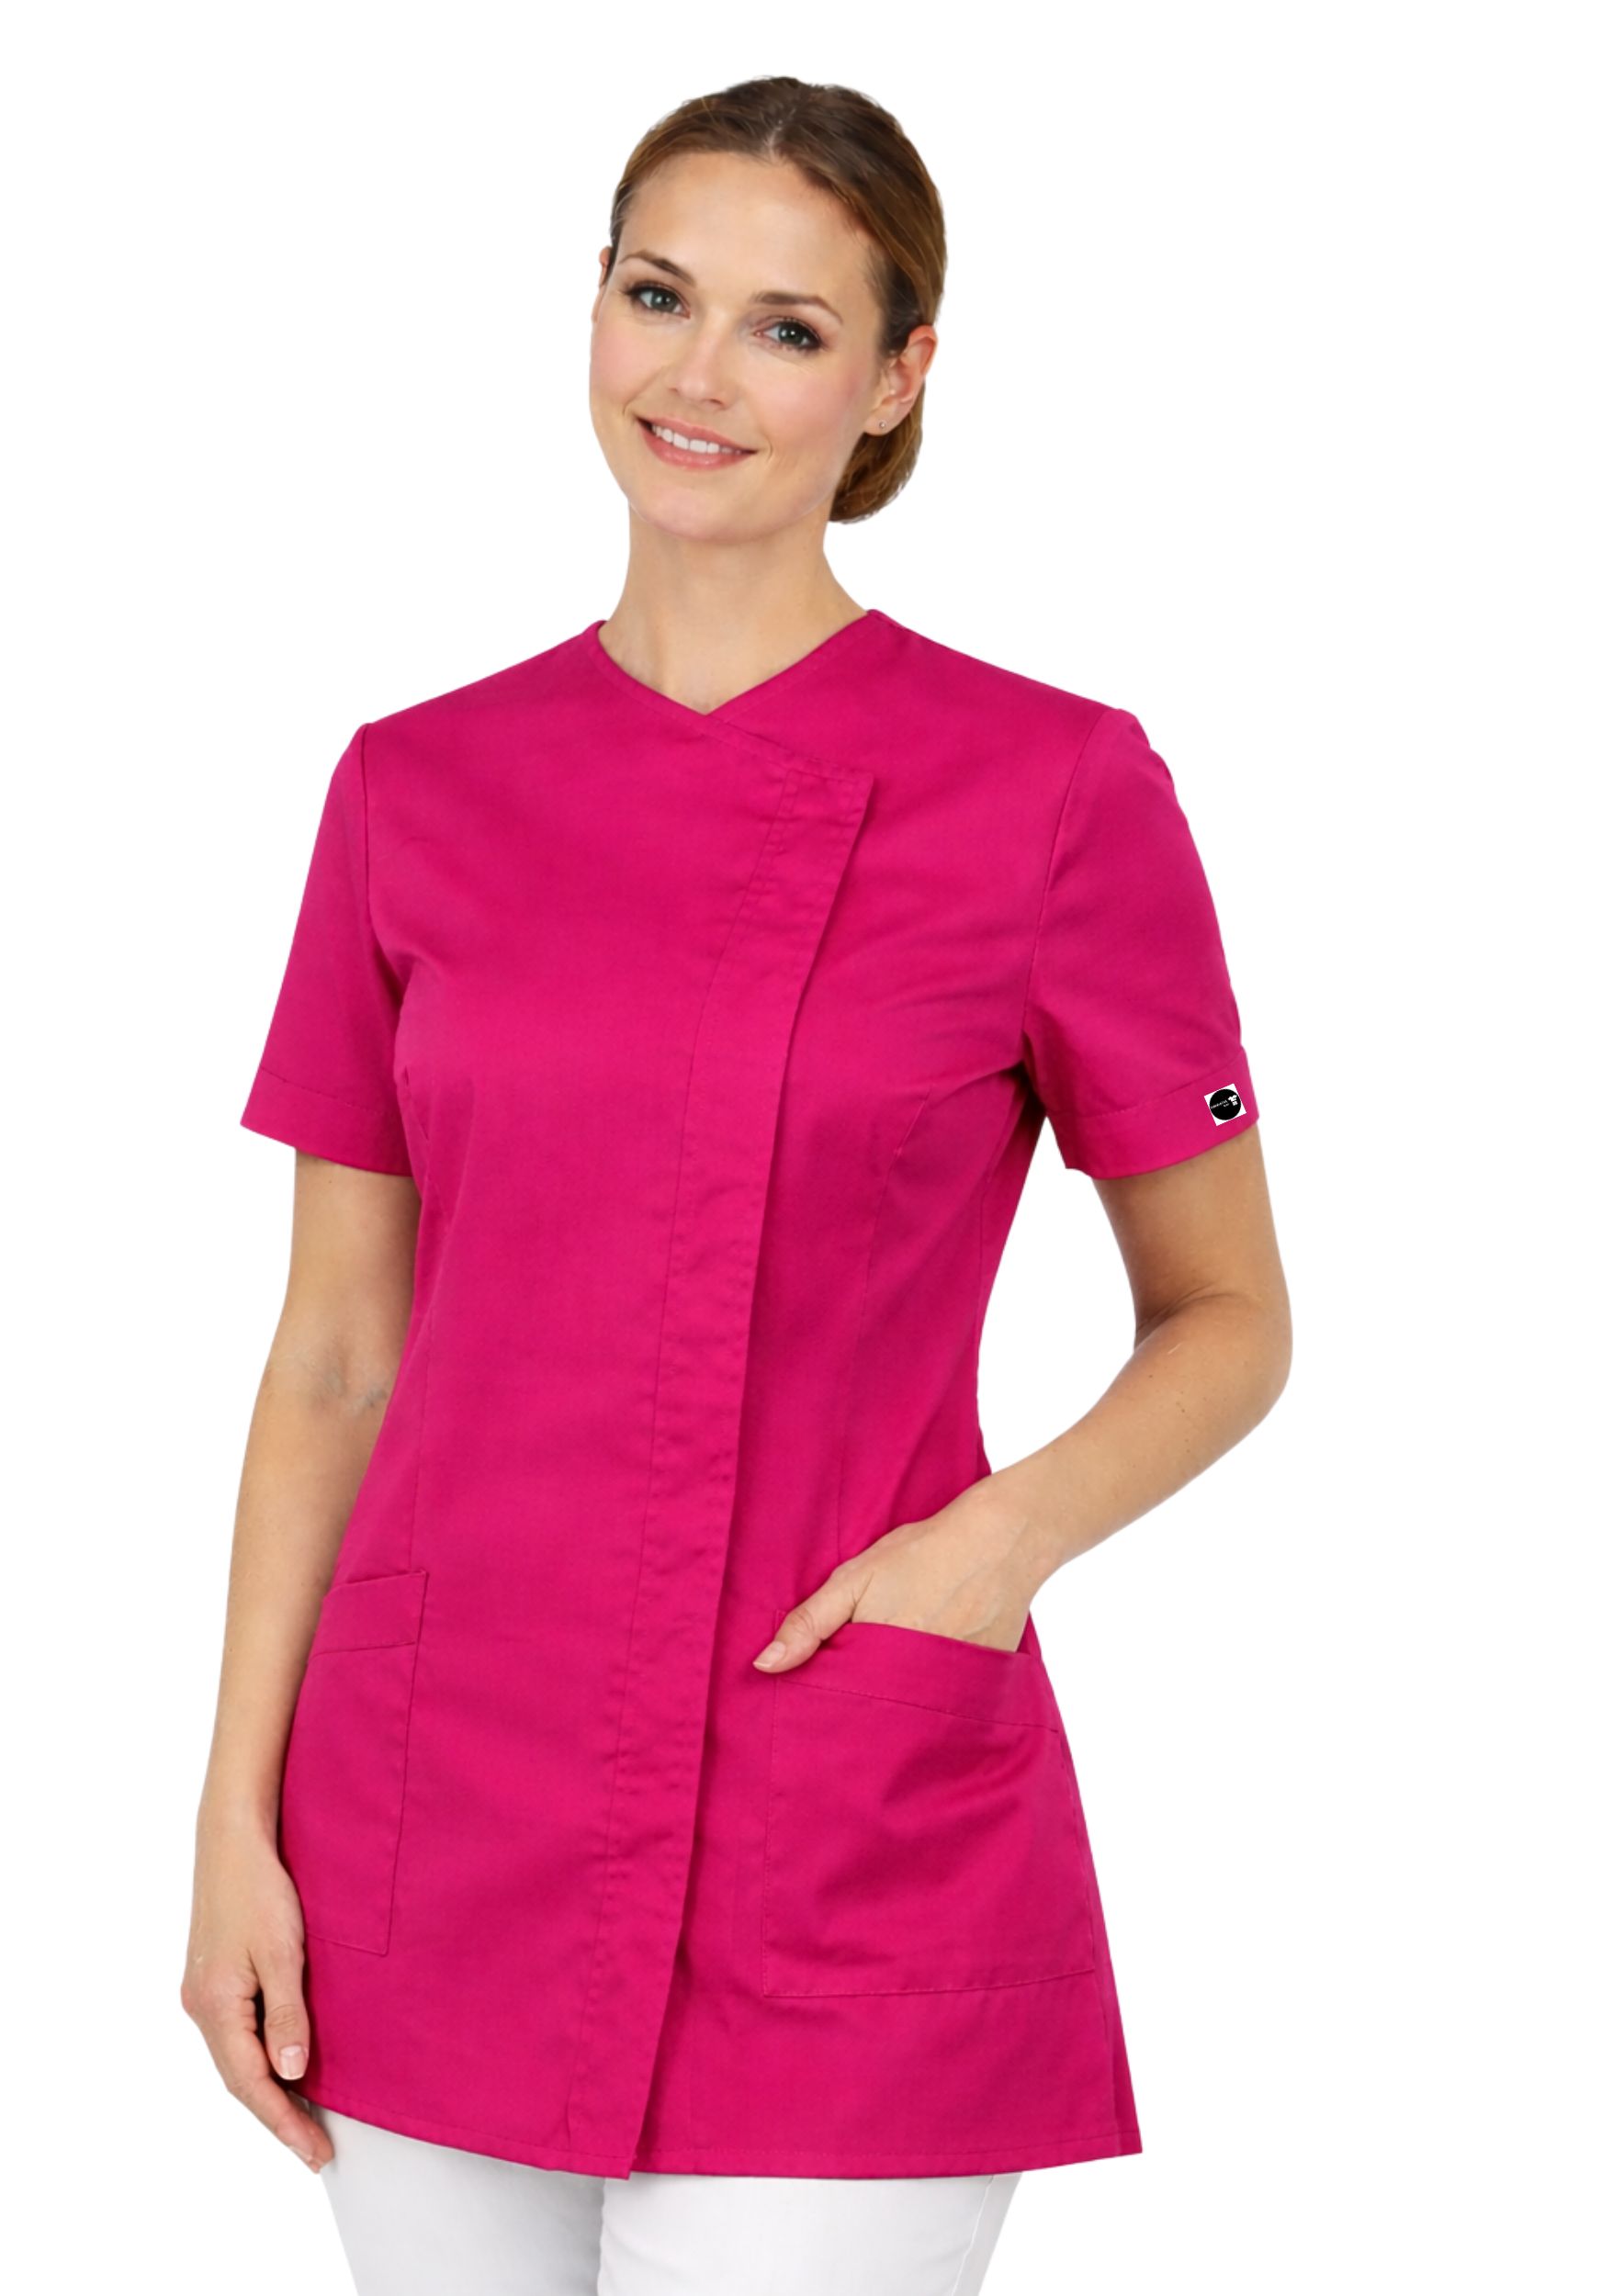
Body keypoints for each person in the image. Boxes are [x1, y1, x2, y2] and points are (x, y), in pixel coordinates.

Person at [181, 73, 1291, 2296]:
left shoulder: (1051, 788)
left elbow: (1228, 1313)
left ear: (895, 378)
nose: (696, 374)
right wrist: (233, 1823)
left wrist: (986, 1551)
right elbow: (334, 1352)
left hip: (835, 1808)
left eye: (787, 328)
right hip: (430, 1810)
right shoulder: (413, 786)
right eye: (656, 295)